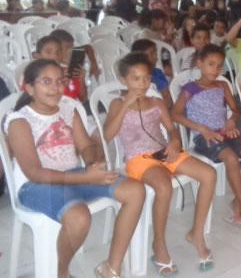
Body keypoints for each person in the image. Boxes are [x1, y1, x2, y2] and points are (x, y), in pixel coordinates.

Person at [5, 59, 145, 278]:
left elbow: (86, 146)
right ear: (30, 88)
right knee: (79, 216)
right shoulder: (19, 120)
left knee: (135, 190)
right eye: (46, 81)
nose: (55, 87)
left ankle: (111, 267)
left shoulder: (68, 108)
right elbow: (34, 172)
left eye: (60, 81)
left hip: (74, 175)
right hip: (35, 185)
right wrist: (87, 177)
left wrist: (92, 163)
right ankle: (62, 272)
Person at [104, 53, 216, 273]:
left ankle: (196, 233)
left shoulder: (156, 102)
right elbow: (107, 135)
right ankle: (159, 244)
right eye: (135, 79)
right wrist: (126, 104)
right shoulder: (117, 104)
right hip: (138, 158)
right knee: (163, 185)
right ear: (123, 80)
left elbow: (172, 129)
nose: (142, 84)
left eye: (146, 78)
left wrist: (174, 142)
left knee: (209, 174)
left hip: (164, 151)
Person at [172, 45, 241, 229]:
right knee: (231, 158)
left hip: (225, 131)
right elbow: (175, 114)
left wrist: (231, 121)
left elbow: (236, 110)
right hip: (204, 137)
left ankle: (237, 203)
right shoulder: (190, 88)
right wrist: (202, 129)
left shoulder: (222, 85)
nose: (216, 69)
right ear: (200, 63)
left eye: (219, 66)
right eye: (211, 64)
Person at [130, 39, 173, 107]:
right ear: (140, 57)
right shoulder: (138, 80)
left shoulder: (158, 72)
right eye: (152, 54)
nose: (156, 57)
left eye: (155, 53)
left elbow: (167, 94)